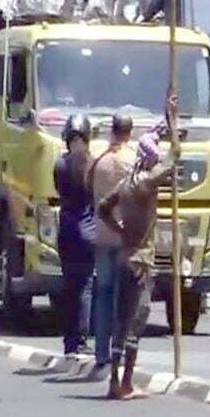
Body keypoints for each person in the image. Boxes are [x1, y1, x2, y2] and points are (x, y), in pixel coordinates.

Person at [97, 110, 177, 400]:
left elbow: (102, 208)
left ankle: (114, 381)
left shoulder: (126, 185)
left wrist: (118, 230)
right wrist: (174, 128)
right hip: (141, 261)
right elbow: (172, 162)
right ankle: (126, 382)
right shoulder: (145, 183)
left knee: (121, 319)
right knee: (136, 320)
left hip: (124, 255)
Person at [87, 113, 136, 375]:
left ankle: (101, 353)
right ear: (130, 132)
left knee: (103, 295)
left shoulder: (99, 162)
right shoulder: (133, 162)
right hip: (126, 237)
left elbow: (88, 190)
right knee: (124, 299)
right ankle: (119, 354)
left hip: (102, 235)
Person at [54, 114, 95, 356]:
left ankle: (70, 341)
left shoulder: (60, 164)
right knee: (86, 286)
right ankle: (80, 340)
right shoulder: (91, 165)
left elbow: (59, 191)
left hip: (66, 227)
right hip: (87, 228)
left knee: (69, 286)